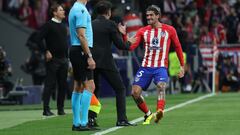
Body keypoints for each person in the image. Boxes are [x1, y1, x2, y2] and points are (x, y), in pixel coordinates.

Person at [128, 5, 185, 124]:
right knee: (135, 93)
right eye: (147, 15)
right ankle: (148, 114)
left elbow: (178, 46)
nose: (148, 17)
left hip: (160, 67)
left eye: (151, 15)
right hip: (146, 67)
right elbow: (132, 47)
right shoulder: (143, 31)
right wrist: (125, 38)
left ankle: (160, 111)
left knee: (161, 86)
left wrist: (182, 65)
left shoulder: (169, 30)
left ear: (158, 15)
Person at [90, 0, 136, 127]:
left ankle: (91, 119)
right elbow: (120, 45)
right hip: (105, 61)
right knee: (120, 88)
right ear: (108, 12)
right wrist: (127, 40)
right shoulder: (110, 24)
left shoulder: (90, 23)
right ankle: (121, 119)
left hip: (91, 61)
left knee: (93, 90)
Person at [68, 0, 99, 131]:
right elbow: (81, 35)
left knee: (79, 86)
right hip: (81, 50)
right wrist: (89, 56)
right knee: (89, 86)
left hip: (77, 50)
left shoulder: (77, 8)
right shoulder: (80, 10)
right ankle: (83, 122)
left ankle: (77, 123)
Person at [36, 4, 69, 116]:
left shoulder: (64, 26)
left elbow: (64, 43)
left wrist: (67, 58)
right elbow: (38, 39)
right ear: (55, 13)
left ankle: (60, 109)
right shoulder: (48, 25)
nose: (63, 11)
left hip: (64, 59)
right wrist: (46, 51)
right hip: (53, 60)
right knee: (50, 84)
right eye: (61, 10)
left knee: (63, 85)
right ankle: (46, 109)